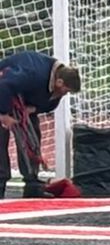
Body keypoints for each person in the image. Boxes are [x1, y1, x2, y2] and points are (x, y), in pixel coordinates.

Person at [0, 51, 79, 199]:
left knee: (31, 138)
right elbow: (4, 85)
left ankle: (32, 184)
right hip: (3, 90)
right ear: (59, 82)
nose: (64, 95)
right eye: (66, 91)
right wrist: (3, 114)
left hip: (23, 100)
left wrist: (34, 109)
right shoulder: (32, 73)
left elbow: (50, 104)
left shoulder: (55, 82)